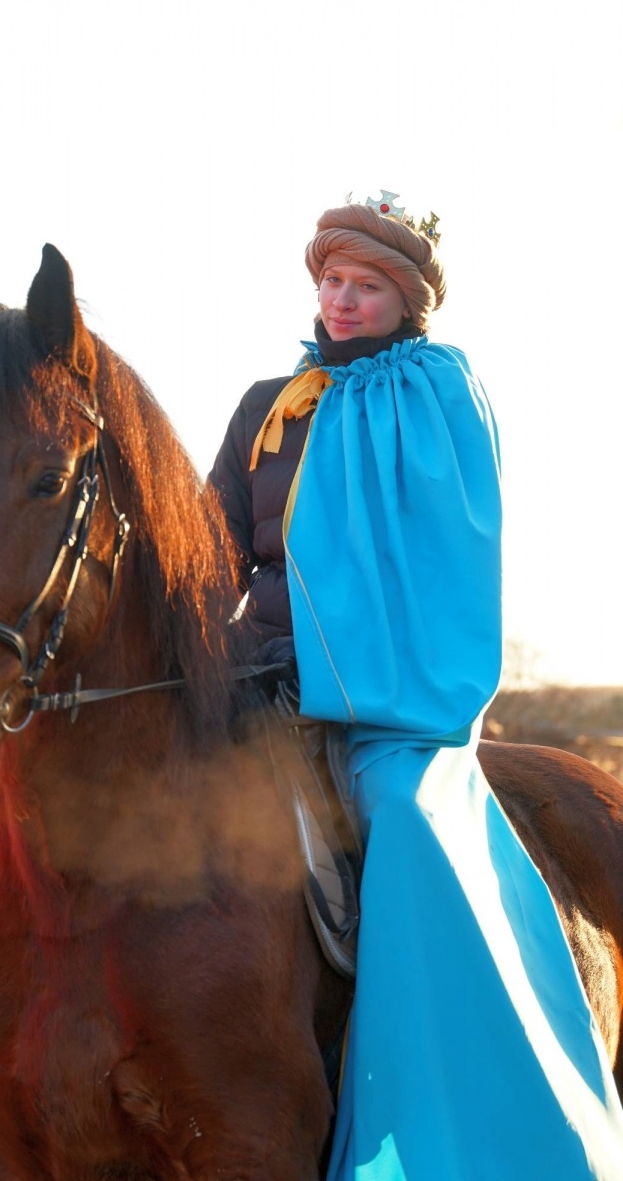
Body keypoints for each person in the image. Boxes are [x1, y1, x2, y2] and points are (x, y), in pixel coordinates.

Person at [209, 194, 623, 1180]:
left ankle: (463, 1098)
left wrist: (355, 673)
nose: (341, 300)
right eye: (330, 280)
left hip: (388, 694)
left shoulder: (440, 395)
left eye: (365, 286)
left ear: (407, 302)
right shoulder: (269, 404)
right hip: (254, 670)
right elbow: (210, 545)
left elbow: (452, 555)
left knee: (400, 809)